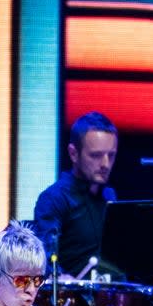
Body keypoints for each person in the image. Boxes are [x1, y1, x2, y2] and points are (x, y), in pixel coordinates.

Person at [33, 111, 119, 278]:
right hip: (73, 300)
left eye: (111, 155)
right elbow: (46, 259)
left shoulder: (110, 196)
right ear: (73, 153)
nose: (105, 164)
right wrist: (60, 277)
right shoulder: (54, 198)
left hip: (111, 296)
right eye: (96, 155)